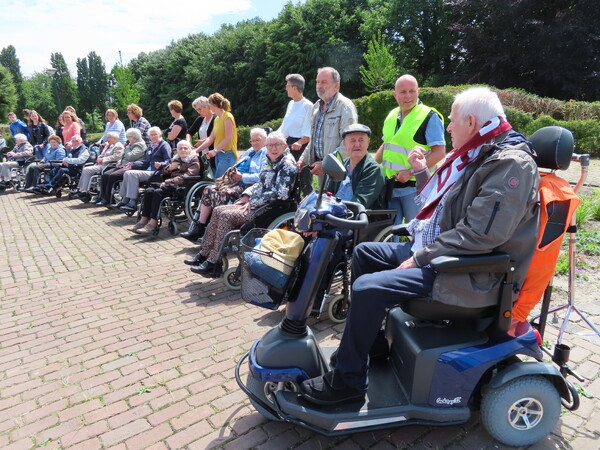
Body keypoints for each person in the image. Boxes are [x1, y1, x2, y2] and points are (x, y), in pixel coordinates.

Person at [299, 87, 540, 406]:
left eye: (453, 121)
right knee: (365, 253)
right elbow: (447, 207)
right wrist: (422, 172)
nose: (449, 128)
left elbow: (482, 235)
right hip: (451, 257)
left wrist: (421, 256)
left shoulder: (510, 164)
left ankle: (347, 385)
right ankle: (372, 349)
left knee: (368, 287)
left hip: (473, 274)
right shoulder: (480, 152)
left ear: (471, 121)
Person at [190, 131, 297, 277]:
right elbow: (260, 182)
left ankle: (214, 262)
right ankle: (205, 254)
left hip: (270, 209)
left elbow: (282, 194)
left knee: (226, 216)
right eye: (270, 145)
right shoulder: (270, 160)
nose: (273, 148)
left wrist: (254, 201)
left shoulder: (287, 165)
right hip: (257, 203)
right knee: (218, 210)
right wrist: (248, 195)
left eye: (277, 145)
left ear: (284, 146)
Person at [374, 75, 446, 225]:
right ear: (395, 95)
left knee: (417, 232)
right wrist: (371, 166)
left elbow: (439, 152)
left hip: (416, 189)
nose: (408, 96)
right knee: (389, 234)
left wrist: (411, 172)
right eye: (403, 92)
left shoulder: (429, 116)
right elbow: (386, 145)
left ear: (418, 92)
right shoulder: (391, 115)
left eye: (412, 91)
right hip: (391, 187)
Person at [181, 127, 268, 245]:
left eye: (258, 140)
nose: (254, 143)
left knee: (224, 193)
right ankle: (199, 227)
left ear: (265, 140)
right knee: (208, 189)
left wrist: (242, 177)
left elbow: (261, 176)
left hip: (248, 186)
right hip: (234, 182)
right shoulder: (249, 151)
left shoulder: (265, 154)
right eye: (252, 140)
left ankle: (218, 232)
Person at [130, 140, 201, 235]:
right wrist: (169, 168)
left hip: (182, 186)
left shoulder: (194, 160)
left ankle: (153, 223)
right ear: (177, 150)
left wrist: (168, 181)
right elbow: (164, 171)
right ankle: (144, 220)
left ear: (190, 149)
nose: (183, 150)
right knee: (149, 190)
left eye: (185, 148)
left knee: (158, 192)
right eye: (180, 148)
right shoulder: (177, 159)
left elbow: (187, 175)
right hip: (170, 184)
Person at [298, 67, 358, 178]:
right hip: (321, 170)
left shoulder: (345, 107)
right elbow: (314, 140)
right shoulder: (316, 107)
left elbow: (350, 143)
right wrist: (303, 160)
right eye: (318, 82)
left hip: (340, 172)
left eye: (324, 82)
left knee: (336, 196)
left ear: (336, 86)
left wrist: (326, 164)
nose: (319, 86)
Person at [324, 124, 385, 210]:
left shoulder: (373, 170)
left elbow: (360, 203)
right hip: (334, 213)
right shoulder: (340, 166)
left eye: (361, 140)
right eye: (352, 141)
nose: (357, 144)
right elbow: (327, 193)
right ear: (345, 144)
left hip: (355, 219)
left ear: (368, 142)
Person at [115, 126, 172, 211]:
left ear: (160, 135)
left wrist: (161, 164)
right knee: (127, 172)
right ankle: (125, 198)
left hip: (157, 172)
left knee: (132, 174)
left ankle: (133, 201)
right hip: (147, 171)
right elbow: (146, 162)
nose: (153, 136)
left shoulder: (164, 145)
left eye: (155, 134)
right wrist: (133, 164)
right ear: (149, 137)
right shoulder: (150, 146)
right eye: (151, 135)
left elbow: (169, 160)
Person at [97, 128, 147, 206]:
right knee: (106, 174)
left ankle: (108, 198)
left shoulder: (140, 145)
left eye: (128, 137)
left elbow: (131, 157)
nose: (127, 139)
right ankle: (103, 197)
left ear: (134, 137)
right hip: (123, 165)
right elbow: (125, 157)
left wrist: (126, 148)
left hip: (133, 167)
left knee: (113, 176)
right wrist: (120, 161)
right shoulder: (131, 144)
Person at [196, 93, 238, 178]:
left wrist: (215, 150)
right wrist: (196, 151)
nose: (209, 107)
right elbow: (210, 139)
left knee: (220, 180)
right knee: (219, 181)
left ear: (214, 105)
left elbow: (228, 138)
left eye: (210, 105)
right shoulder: (217, 119)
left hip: (227, 154)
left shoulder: (228, 116)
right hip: (219, 154)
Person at [73, 132, 124, 202]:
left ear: (115, 138)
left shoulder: (118, 146)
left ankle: (83, 190)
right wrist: (99, 158)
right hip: (100, 164)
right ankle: (82, 190)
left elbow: (117, 157)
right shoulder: (108, 145)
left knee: (87, 170)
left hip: (108, 165)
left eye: (109, 137)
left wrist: (103, 159)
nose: (107, 139)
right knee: (85, 169)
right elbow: (102, 154)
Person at [277, 73, 313, 161]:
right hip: (288, 145)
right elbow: (285, 127)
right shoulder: (291, 103)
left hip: (301, 148)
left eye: (287, 86)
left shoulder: (308, 106)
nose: (286, 88)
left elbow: (309, 132)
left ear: (295, 88)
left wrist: (299, 143)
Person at [186, 96, 215, 171]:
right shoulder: (200, 119)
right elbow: (189, 132)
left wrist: (203, 142)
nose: (198, 112)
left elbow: (217, 136)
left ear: (207, 106)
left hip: (214, 155)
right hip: (203, 155)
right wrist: (189, 143)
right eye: (197, 110)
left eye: (200, 109)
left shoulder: (216, 118)